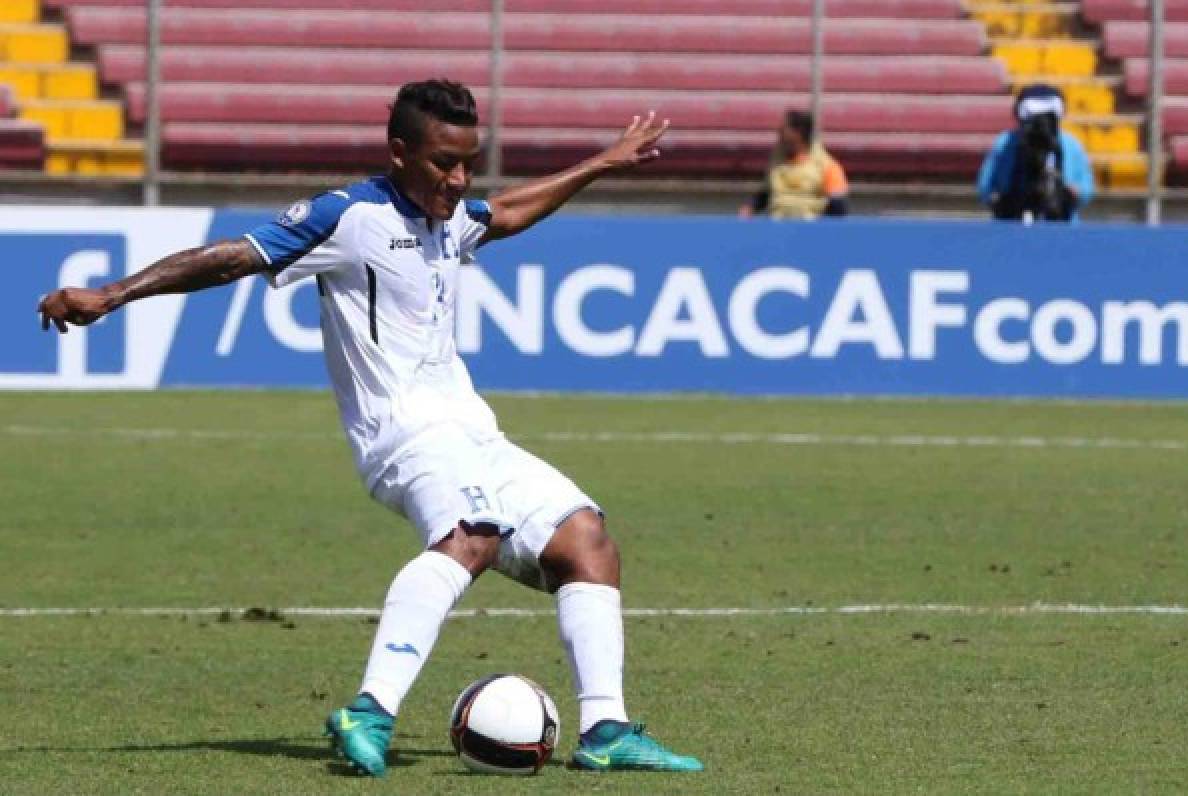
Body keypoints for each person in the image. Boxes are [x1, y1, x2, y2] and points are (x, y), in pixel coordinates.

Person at [38, 79, 703, 777]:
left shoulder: (449, 217)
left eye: (468, 162)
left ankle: (605, 728)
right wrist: (112, 294)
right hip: (404, 436)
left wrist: (599, 163)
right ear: (399, 153)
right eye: (444, 162)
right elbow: (234, 255)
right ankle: (370, 710)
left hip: (476, 434)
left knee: (586, 541)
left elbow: (503, 213)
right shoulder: (346, 216)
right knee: (471, 537)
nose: (459, 178)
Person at [977, 83, 1094, 222]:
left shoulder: (1071, 145)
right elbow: (985, 186)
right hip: (1011, 222)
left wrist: (1072, 192)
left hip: (1062, 224)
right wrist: (999, 198)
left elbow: (1086, 187)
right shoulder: (1004, 143)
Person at [739, 109, 849, 220]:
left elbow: (838, 207)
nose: (779, 134)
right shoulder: (776, 160)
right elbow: (767, 194)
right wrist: (749, 207)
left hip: (809, 229)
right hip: (777, 227)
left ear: (798, 133)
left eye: (782, 130)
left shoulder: (827, 166)